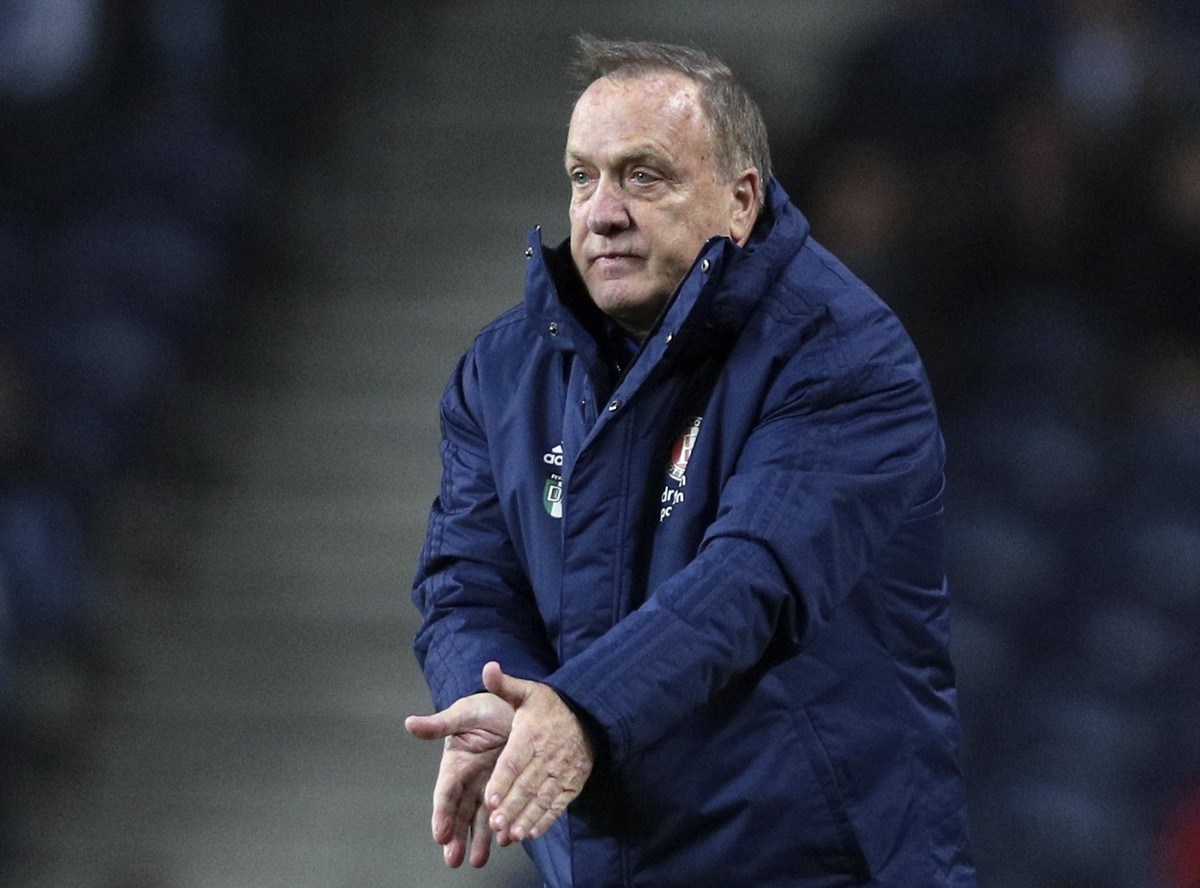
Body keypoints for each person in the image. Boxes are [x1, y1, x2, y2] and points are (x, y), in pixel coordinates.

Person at [405, 34, 976, 887]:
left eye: (644, 176)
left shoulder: (842, 355)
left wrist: (581, 714)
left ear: (742, 201)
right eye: (581, 177)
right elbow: (464, 580)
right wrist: (498, 695)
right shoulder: (504, 372)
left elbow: (749, 580)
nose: (602, 211)